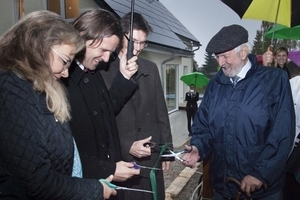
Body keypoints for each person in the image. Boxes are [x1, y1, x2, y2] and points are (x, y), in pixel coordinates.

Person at [0, 10, 116, 199]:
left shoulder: (35, 88)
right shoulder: (10, 88)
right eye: (64, 62)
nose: (66, 74)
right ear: (40, 46)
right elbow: (36, 182)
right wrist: (94, 190)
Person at [182, 24, 295, 200]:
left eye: (225, 56)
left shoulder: (275, 81)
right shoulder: (214, 86)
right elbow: (204, 127)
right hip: (223, 186)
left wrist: (261, 174)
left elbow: (282, 134)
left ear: (243, 52)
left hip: (263, 191)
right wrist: (198, 148)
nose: (220, 63)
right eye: (217, 57)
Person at [61, 9, 140, 199]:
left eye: (110, 52)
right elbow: (66, 153)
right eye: (103, 50)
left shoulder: (92, 72)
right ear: (81, 38)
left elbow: (105, 112)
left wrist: (124, 78)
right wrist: (109, 168)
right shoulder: (60, 80)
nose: (106, 59)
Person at [101, 12, 173, 200]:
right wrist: (126, 146)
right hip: (121, 160)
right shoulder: (102, 69)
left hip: (151, 157)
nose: (138, 47)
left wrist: (166, 151)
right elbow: (101, 119)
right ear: (120, 35)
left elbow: (161, 112)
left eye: (143, 42)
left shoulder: (150, 68)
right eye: (134, 41)